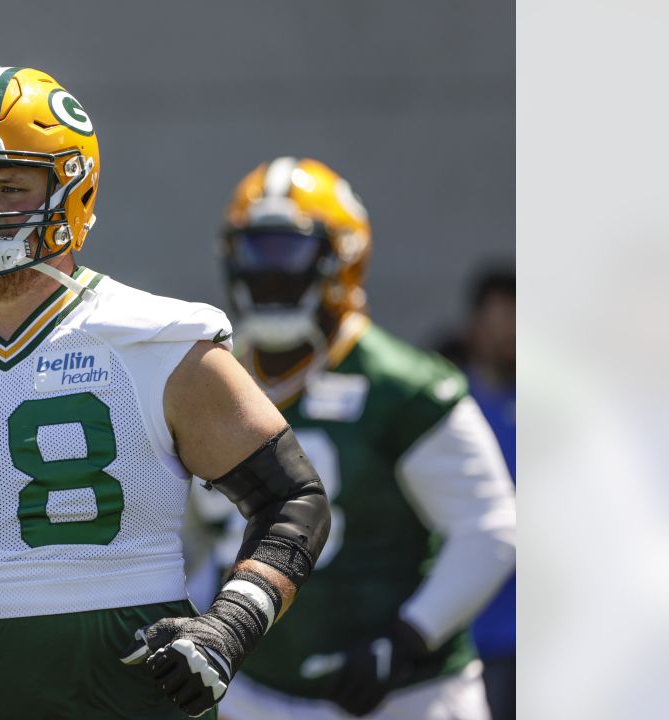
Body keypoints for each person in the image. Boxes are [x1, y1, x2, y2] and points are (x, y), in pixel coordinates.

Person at [0, 68, 331, 719]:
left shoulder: (159, 342)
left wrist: (231, 625)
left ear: (71, 192)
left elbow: (293, 499)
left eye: (10, 187)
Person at [188, 157, 517, 720]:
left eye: (286, 250)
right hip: (255, 690)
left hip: (405, 697)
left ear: (340, 258)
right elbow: (199, 537)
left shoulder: (403, 386)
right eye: (253, 250)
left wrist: (408, 638)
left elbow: (488, 527)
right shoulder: (214, 379)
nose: (267, 271)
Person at [438, 268, 516, 720]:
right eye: (500, 319)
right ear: (474, 327)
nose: (510, 333)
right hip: (460, 629)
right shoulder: (443, 403)